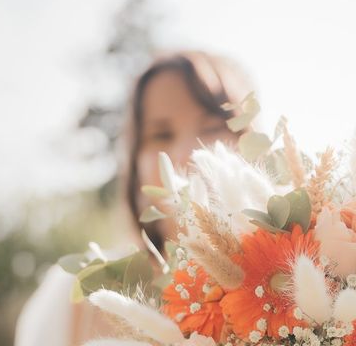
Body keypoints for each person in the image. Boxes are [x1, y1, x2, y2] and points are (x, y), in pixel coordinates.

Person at [15, 50, 253, 346]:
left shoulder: (309, 282)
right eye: (161, 135)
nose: (187, 154)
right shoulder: (74, 295)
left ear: (251, 141)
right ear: (134, 164)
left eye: (212, 127)